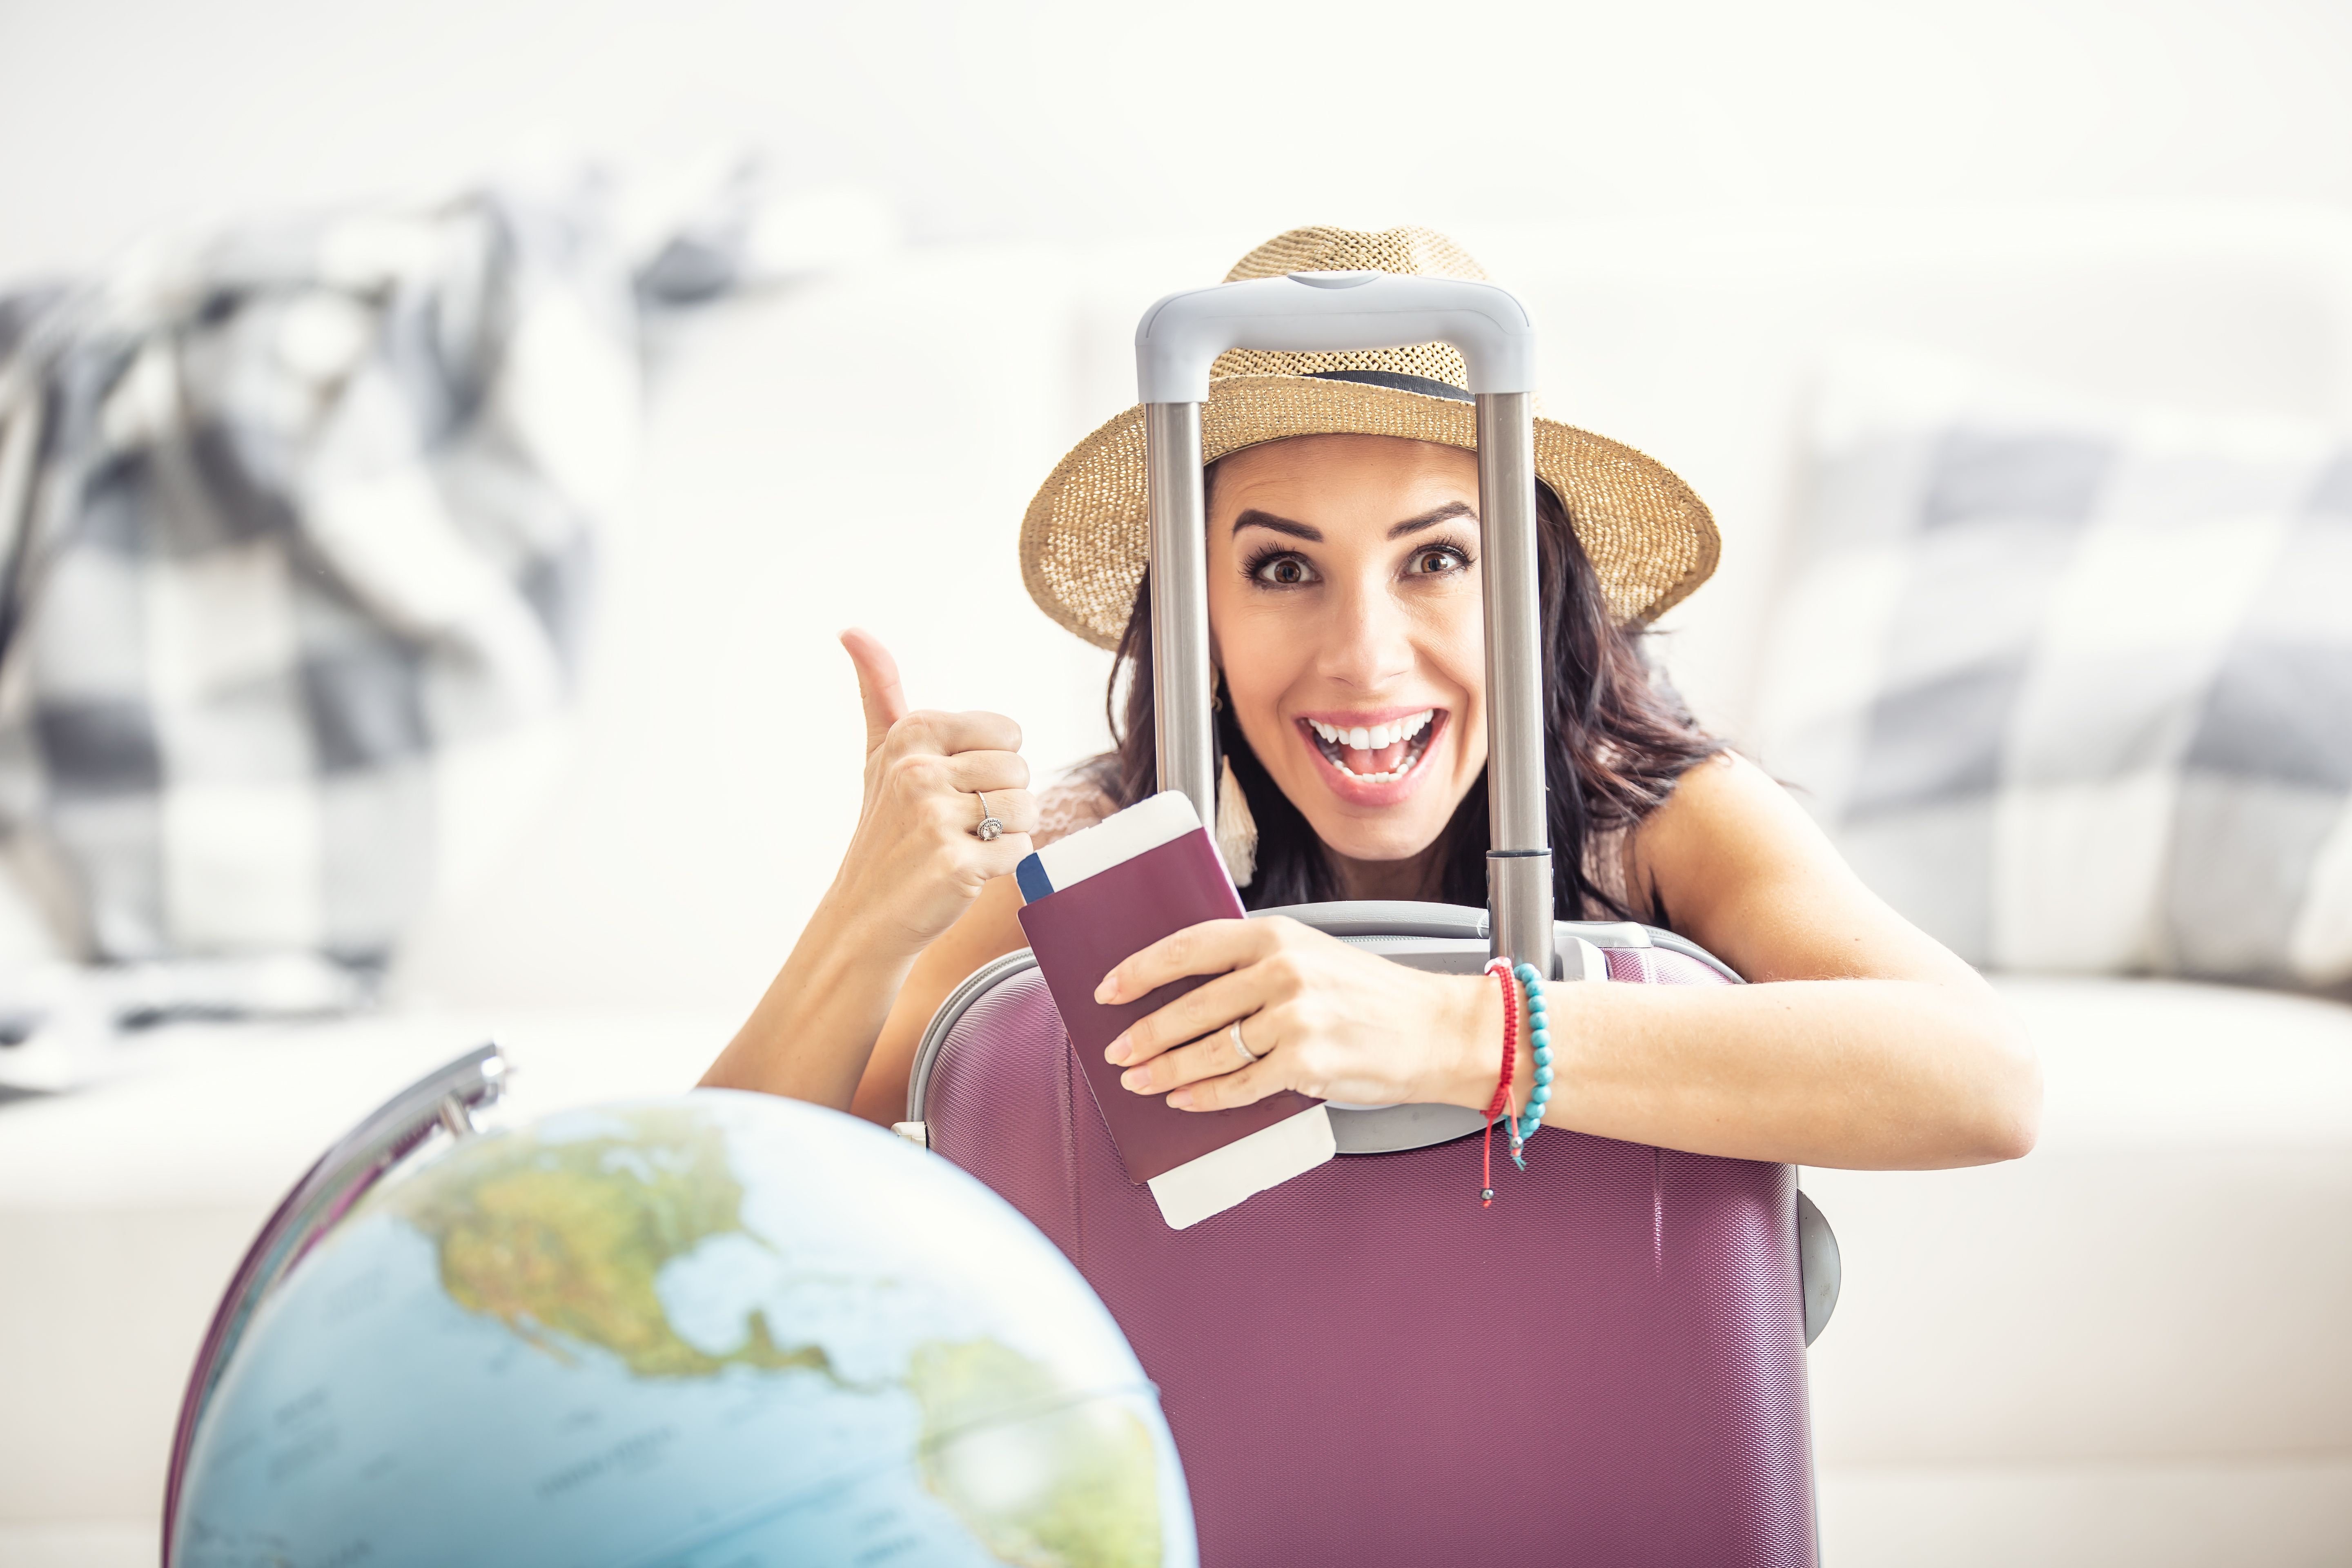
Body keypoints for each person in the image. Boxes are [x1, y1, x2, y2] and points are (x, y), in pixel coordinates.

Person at [702, 226, 2041, 1172]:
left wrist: (1446, 1030)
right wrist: (861, 922)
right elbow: (688, 1219)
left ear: (1534, 587)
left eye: (1437, 560)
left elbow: (1985, 1081)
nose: (1364, 657)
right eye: (1283, 569)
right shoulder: (1108, 849)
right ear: (1197, 617)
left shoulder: (1648, 818)